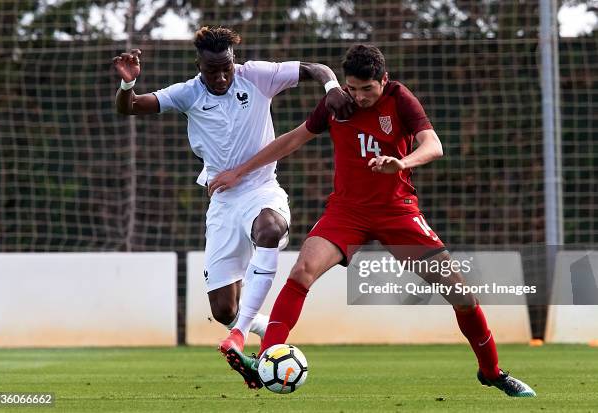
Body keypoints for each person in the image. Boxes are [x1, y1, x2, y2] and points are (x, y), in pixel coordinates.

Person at [208, 44, 536, 397]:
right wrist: (238, 172)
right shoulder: (337, 104)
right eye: (352, 88)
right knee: (302, 271)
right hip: (347, 212)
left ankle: (492, 371)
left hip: (397, 212)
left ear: (384, 80)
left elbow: (433, 145)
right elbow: (292, 140)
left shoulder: (400, 99)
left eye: (368, 89)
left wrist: (402, 163)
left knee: (460, 294)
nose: (360, 97)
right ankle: (268, 356)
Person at [113, 26, 355, 357]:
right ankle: (259, 327)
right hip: (223, 203)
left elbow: (316, 68)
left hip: (262, 190)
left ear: (234, 60)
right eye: (213, 70)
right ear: (199, 63)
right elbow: (130, 107)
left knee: (269, 230)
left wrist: (331, 87)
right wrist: (128, 83)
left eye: (226, 67)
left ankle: (250, 337)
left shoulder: (256, 75)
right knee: (224, 310)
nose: (222, 77)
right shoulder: (187, 93)